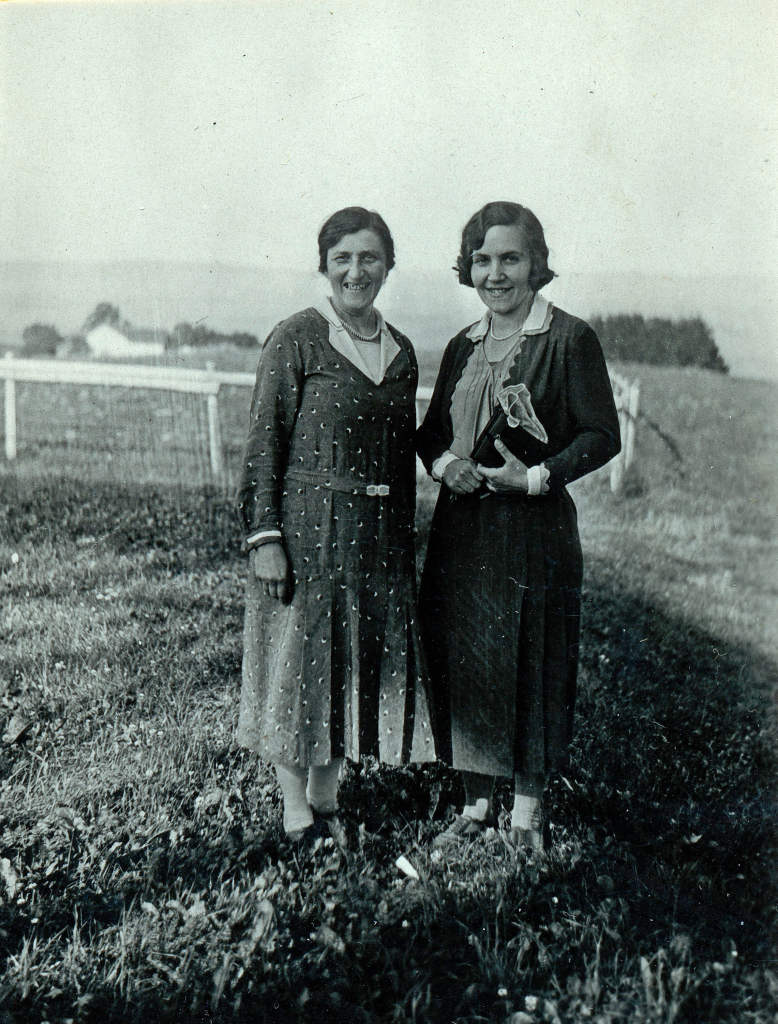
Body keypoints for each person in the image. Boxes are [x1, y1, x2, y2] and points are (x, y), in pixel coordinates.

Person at [417, 201, 620, 853]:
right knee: (466, 662)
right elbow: (429, 434)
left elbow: (601, 434)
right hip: (462, 533)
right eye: (482, 260)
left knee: (534, 660)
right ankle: (476, 806)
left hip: (535, 532)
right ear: (467, 267)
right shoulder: (462, 345)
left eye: (510, 258)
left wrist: (533, 477)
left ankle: (527, 816)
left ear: (536, 264)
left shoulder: (568, 340)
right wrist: (447, 465)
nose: (495, 274)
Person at [235, 207, 435, 848]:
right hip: (309, 537)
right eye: (342, 258)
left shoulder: (401, 352)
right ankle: (297, 809)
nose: (356, 271)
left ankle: (327, 797)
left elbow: (402, 454)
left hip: (377, 541)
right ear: (324, 266)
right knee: (301, 667)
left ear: (388, 266)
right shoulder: (296, 337)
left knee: (348, 667)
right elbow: (265, 443)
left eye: (369, 257)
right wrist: (265, 538)